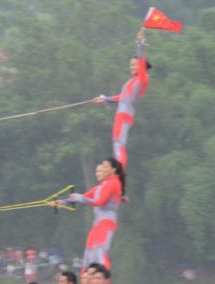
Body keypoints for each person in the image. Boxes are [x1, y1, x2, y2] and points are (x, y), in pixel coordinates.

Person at [54, 157, 125, 270]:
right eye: (96, 171)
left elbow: (99, 202)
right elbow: (84, 197)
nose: (97, 173)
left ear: (110, 171)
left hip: (106, 222)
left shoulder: (113, 183)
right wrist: (62, 202)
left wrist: (80, 198)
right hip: (97, 224)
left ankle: (103, 282)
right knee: (88, 254)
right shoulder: (99, 187)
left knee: (100, 252)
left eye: (101, 170)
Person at [95, 30, 150, 170]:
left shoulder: (142, 79)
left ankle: (118, 171)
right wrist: (105, 98)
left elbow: (142, 61)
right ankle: (118, 169)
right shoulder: (130, 82)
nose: (132, 67)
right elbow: (121, 97)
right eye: (131, 65)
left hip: (125, 116)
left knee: (119, 143)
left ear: (141, 67)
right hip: (122, 116)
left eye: (135, 65)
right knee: (116, 142)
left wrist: (141, 44)